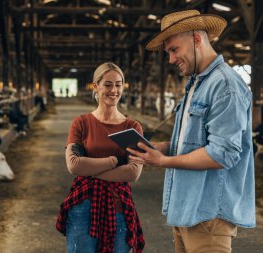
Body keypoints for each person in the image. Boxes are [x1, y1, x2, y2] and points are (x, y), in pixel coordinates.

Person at [127, 10, 256, 253]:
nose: (171, 59)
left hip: (208, 216)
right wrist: (161, 148)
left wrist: (165, 160)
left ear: (197, 39)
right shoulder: (196, 84)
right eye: (168, 53)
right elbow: (194, 142)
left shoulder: (225, 85)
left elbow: (223, 154)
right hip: (187, 210)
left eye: (174, 49)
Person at [56, 62, 145, 253]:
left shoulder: (132, 127)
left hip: (118, 207)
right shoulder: (81, 123)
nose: (114, 90)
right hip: (82, 206)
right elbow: (74, 166)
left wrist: (91, 169)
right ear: (96, 86)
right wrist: (114, 161)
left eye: (119, 84)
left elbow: (133, 173)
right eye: (108, 84)